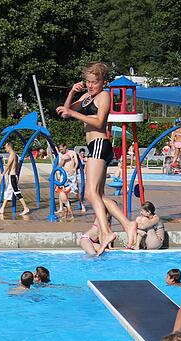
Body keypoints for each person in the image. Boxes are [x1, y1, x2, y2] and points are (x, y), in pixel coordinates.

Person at [57, 62, 137, 255]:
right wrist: (71, 93)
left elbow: (100, 122)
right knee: (98, 196)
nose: (91, 85)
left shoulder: (104, 96)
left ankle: (107, 231)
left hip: (100, 143)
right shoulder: (86, 97)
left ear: (103, 82)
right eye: (88, 82)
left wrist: (73, 113)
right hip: (94, 145)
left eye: (95, 82)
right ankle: (128, 224)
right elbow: (65, 113)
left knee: (90, 194)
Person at [0, 142, 31, 216]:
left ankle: (25, 208)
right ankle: (2, 209)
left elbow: (8, 164)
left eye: (6, 147)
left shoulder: (12, 155)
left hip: (12, 176)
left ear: (9, 147)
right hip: (12, 176)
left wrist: (3, 173)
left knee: (16, 192)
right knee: (7, 192)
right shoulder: (16, 155)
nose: (5, 149)